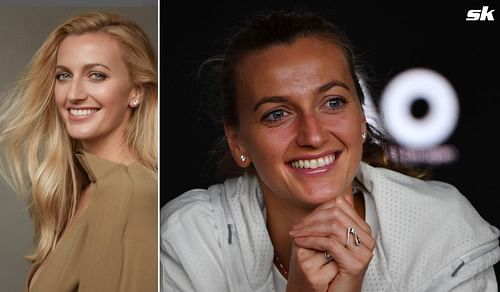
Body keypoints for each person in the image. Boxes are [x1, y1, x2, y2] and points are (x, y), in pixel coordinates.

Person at [161, 10, 499, 292]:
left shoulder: (439, 229)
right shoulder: (191, 242)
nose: (313, 135)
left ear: (362, 118)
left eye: (333, 102)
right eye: (277, 114)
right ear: (238, 142)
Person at [0, 11, 158, 292]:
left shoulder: (127, 191)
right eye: (64, 76)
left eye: (96, 75)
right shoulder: (88, 189)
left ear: (136, 92)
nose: (74, 94)